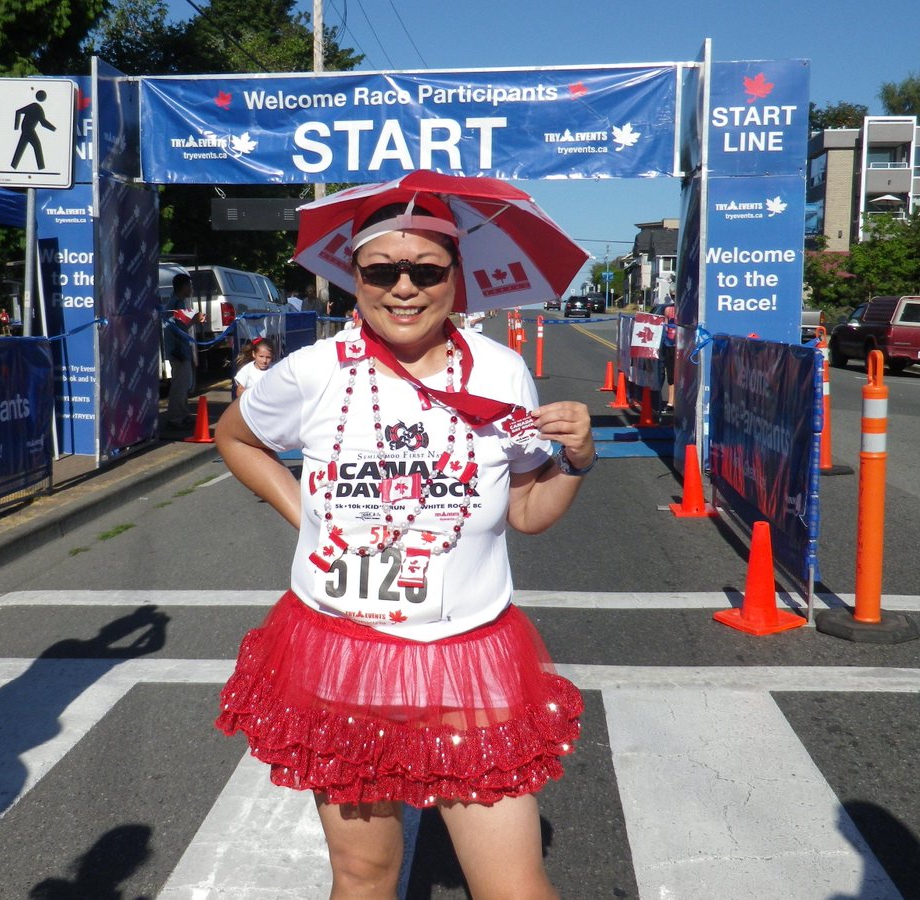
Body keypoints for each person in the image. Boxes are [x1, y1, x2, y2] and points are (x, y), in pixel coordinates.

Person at [214, 189, 595, 899]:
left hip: (468, 656)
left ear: (459, 276)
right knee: (363, 876)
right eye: (380, 271)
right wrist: (306, 515)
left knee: (514, 884)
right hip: (341, 652)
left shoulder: (499, 374)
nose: (404, 287)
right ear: (353, 277)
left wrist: (575, 461)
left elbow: (527, 509)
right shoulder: (313, 372)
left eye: (426, 269)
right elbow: (236, 438)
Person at [165, 274, 203, 430]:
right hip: (178, 352)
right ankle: (175, 417)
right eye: (190, 285)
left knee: (183, 384)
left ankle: (183, 413)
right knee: (179, 386)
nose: (191, 289)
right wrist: (194, 320)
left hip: (180, 350)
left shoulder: (178, 303)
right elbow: (177, 329)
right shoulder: (176, 304)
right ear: (183, 286)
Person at [659, 302, 677, 414]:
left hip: (685, 344)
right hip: (670, 344)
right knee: (671, 375)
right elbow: (665, 328)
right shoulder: (668, 310)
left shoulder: (690, 308)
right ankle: (671, 403)